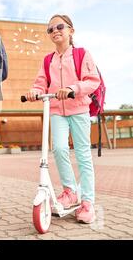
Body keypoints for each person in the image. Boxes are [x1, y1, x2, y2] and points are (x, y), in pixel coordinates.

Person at [24, 14, 100, 223]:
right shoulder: (48, 60)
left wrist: (72, 89)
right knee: (58, 149)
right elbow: (41, 83)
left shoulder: (82, 54)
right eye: (50, 29)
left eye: (59, 27)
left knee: (83, 155)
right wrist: (34, 91)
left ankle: (87, 202)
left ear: (71, 31)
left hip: (78, 109)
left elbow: (93, 81)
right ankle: (69, 192)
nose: (55, 31)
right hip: (56, 110)